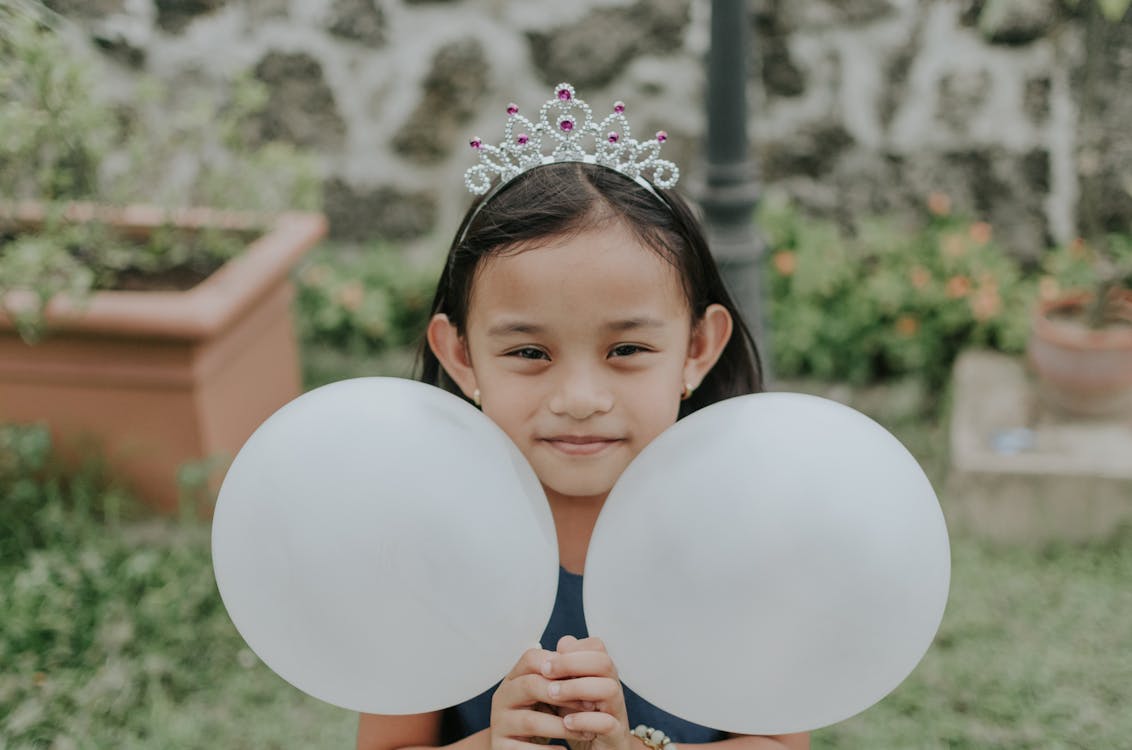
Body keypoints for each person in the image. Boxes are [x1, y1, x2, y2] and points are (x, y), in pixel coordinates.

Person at [358, 84, 809, 750]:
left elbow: (779, 745)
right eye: (530, 351)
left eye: (626, 349)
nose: (578, 396)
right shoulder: (429, 549)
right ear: (461, 356)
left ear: (696, 349)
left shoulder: (737, 539)